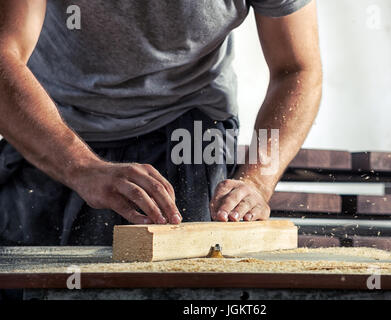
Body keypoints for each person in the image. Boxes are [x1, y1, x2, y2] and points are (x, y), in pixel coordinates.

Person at [0, 0, 322, 245]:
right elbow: (4, 56)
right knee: (32, 279)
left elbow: (296, 69)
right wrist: (81, 167)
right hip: (52, 120)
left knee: (184, 279)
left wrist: (257, 181)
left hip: (189, 126)